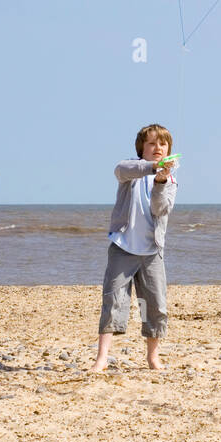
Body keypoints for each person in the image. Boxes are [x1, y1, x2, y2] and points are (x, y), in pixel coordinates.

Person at [90, 124, 177, 372]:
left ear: (169, 149)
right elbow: (120, 170)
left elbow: (161, 209)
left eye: (162, 144)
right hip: (123, 247)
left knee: (155, 305)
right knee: (113, 300)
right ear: (142, 149)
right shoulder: (132, 169)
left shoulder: (170, 179)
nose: (157, 147)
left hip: (152, 253)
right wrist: (151, 169)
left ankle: (153, 357)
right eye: (151, 143)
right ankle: (102, 358)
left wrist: (160, 181)